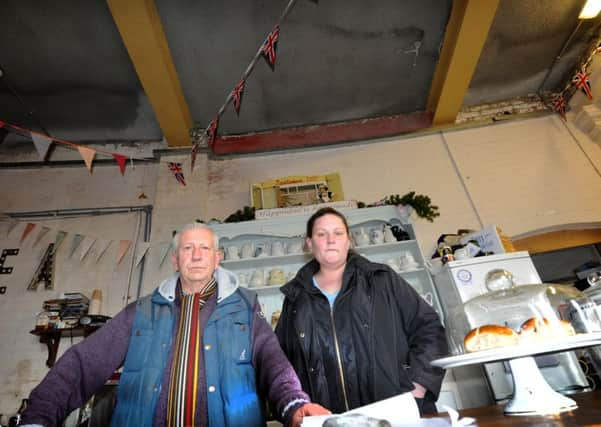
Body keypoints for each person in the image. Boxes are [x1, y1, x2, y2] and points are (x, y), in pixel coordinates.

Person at [21, 223, 330, 426]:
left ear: (217, 257)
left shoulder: (246, 307)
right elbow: (81, 363)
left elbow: (272, 361)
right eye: (187, 248)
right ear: (175, 260)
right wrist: (38, 418)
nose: (196, 256)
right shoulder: (140, 311)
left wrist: (293, 403)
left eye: (204, 248)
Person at [275, 207, 448, 415]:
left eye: (338, 233)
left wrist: (419, 386)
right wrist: (297, 405)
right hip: (330, 419)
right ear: (309, 243)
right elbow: (279, 361)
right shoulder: (295, 298)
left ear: (349, 240)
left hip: (395, 412)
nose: (331, 240)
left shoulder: (381, 279)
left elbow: (429, 328)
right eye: (321, 234)